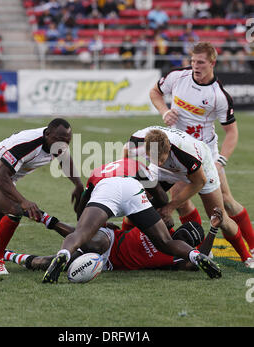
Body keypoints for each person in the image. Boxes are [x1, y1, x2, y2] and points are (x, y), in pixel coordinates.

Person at [149, 41, 254, 263]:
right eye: (193, 61)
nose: (195, 65)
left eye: (201, 62)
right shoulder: (178, 77)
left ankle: (251, 248)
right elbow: (155, 92)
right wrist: (164, 111)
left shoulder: (219, 95)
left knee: (224, 203)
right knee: (179, 200)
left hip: (204, 154)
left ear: (212, 63)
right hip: (177, 150)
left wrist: (220, 161)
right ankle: (200, 246)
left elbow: (232, 133)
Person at [42, 157, 222, 284]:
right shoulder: (137, 165)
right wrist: (158, 208)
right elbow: (160, 195)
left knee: (81, 233)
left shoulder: (99, 171)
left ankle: (63, 254)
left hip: (106, 187)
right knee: (166, 242)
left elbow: (83, 204)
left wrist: (89, 224)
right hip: (133, 189)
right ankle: (195, 255)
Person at [0, 118, 84, 275]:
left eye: (66, 142)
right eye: (59, 140)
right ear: (47, 134)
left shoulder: (57, 141)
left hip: (5, 178)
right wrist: (23, 201)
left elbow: (64, 159)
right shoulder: (28, 143)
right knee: (15, 210)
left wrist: (78, 185)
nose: (62, 146)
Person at [125, 126, 254, 268]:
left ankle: (246, 257)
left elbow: (199, 182)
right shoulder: (139, 140)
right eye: (154, 158)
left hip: (200, 169)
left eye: (161, 159)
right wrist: (128, 175)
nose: (159, 162)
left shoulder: (184, 152)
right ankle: (122, 239)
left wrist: (170, 206)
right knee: (137, 200)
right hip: (163, 171)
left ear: (168, 149)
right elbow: (126, 151)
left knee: (219, 215)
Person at [0, 207, 224, 274]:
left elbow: (197, 262)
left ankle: (8, 255)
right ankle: (47, 220)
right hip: (109, 240)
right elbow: (134, 217)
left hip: (104, 264)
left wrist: (212, 231)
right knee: (95, 240)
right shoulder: (162, 228)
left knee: (46, 263)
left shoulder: (175, 259)